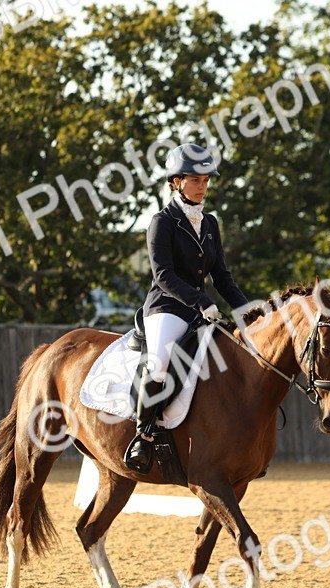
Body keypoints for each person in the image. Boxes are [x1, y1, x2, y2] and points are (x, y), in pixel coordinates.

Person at [123, 142, 251, 473]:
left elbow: (222, 277)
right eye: (196, 180)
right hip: (166, 307)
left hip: (200, 312)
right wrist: (202, 301)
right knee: (162, 362)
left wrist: (247, 311)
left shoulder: (209, 223)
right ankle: (144, 434)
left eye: (206, 180)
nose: (203, 186)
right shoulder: (161, 222)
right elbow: (163, 276)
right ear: (176, 182)